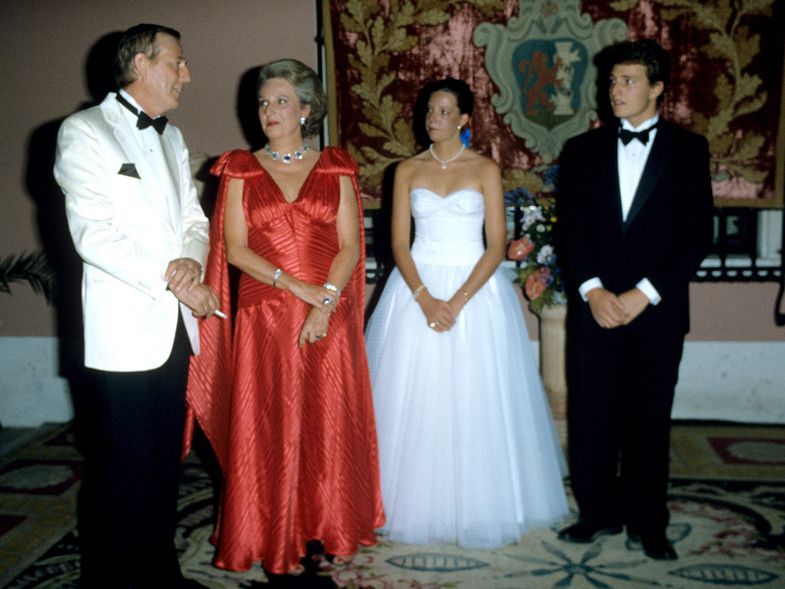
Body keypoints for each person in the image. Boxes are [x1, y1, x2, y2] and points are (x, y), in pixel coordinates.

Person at [185, 58, 384, 576]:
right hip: (266, 316)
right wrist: (298, 288)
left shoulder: (335, 165)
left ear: (306, 109)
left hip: (328, 311)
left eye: (280, 101)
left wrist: (325, 301)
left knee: (326, 420)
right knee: (270, 422)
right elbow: (234, 248)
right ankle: (269, 530)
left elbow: (348, 245)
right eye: (262, 103)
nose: (268, 111)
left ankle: (329, 523)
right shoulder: (240, 168)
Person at [364, 78, 568, 549]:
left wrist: (456, 301)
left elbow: (496, 246)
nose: (432, 119)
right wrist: (425, 298)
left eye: (442, 111)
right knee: (413, 400)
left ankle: (484, 502)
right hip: (416, 290)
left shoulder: (484, 169)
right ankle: (408, 503)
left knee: (477, 398)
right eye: (428, 111)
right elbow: (398, 244)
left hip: (475, 294)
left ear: (462, 119)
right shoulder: (406, 170)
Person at [54, 23, 219, 589]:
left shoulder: (173, 138)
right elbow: (93, 235)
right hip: (123, 333)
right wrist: (174, 281)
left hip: (171, 328)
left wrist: (191, 261)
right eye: (177, 62)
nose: (186, 74)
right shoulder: (85, 131)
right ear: (142, 64)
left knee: (163, 463)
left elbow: (194, 220)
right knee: (124, 467)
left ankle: (159, 576)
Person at [557, 39, 714, 561]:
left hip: (656, 311)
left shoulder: (689, 151)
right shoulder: (582, 151)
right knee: (591, 414)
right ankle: (597, 513)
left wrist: (644, 294)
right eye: (612, 81)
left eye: (627, 81)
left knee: (649, 418)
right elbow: (572, 232)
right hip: (596, 308)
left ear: (657, 88)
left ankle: (649, 523)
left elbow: (696, 236)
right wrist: (592, 290)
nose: (615, 91)